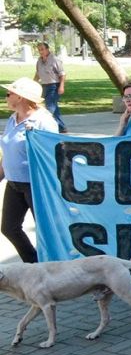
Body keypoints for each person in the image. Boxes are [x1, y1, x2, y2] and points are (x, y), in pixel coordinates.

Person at [0, 78, 59, 262]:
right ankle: (33, 263)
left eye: (9, 94)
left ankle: (54, 266)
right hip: (14, 183)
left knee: (46, 230)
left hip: (35, 185)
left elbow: (53, 154)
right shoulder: (13, 118)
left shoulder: (43, 121)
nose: (6, 97)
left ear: (21, 97)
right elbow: (9, 151)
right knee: (9, 228)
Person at [33, 42, 67, 133]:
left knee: (49, 107)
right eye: (39, 50)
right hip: (44, 86)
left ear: (48, 49)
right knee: (54, 107)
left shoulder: (55, 60)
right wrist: (33, 83)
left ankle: (44, 127)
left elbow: (62, 74)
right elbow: (38, 74)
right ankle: (62, 127)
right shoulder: (39, 61)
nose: (41, 51)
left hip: (54, 86)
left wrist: (61, 86)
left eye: (42, 49)